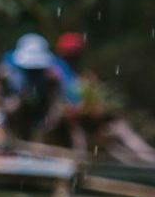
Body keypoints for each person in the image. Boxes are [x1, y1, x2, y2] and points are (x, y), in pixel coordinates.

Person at [52, 30, 155, 164]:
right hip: (68, 124)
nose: (75, 55)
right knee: (79, 133)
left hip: (87, 120)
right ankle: (79, 166)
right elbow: (59, 105)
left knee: (119, 128)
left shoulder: (80, 74)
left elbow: (91, 100)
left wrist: (94, 107)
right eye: (72, 52)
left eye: (77, 52)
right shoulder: (56, 71)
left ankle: (148, 159)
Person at [0, 32, 75, 144]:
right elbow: (3, 98)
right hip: (15, 111)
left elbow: (69, 91)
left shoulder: (54, 70)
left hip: (42, 110)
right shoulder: (9, 67)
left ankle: (40, 141)